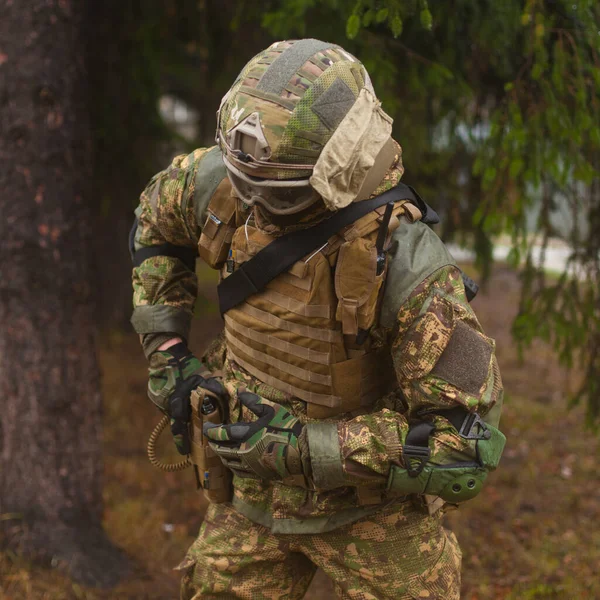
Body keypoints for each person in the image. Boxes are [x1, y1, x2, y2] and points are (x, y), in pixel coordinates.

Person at [130, 39, 505, 600]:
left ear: (337, 164)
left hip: (372, 517)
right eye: (244, 183)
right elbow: (156, 220)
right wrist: (167, 354)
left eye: (274, 191)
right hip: (249, 500)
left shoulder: (407, 265)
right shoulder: (227, 184)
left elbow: (467, 444)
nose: (252, 202)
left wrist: (307, 449)